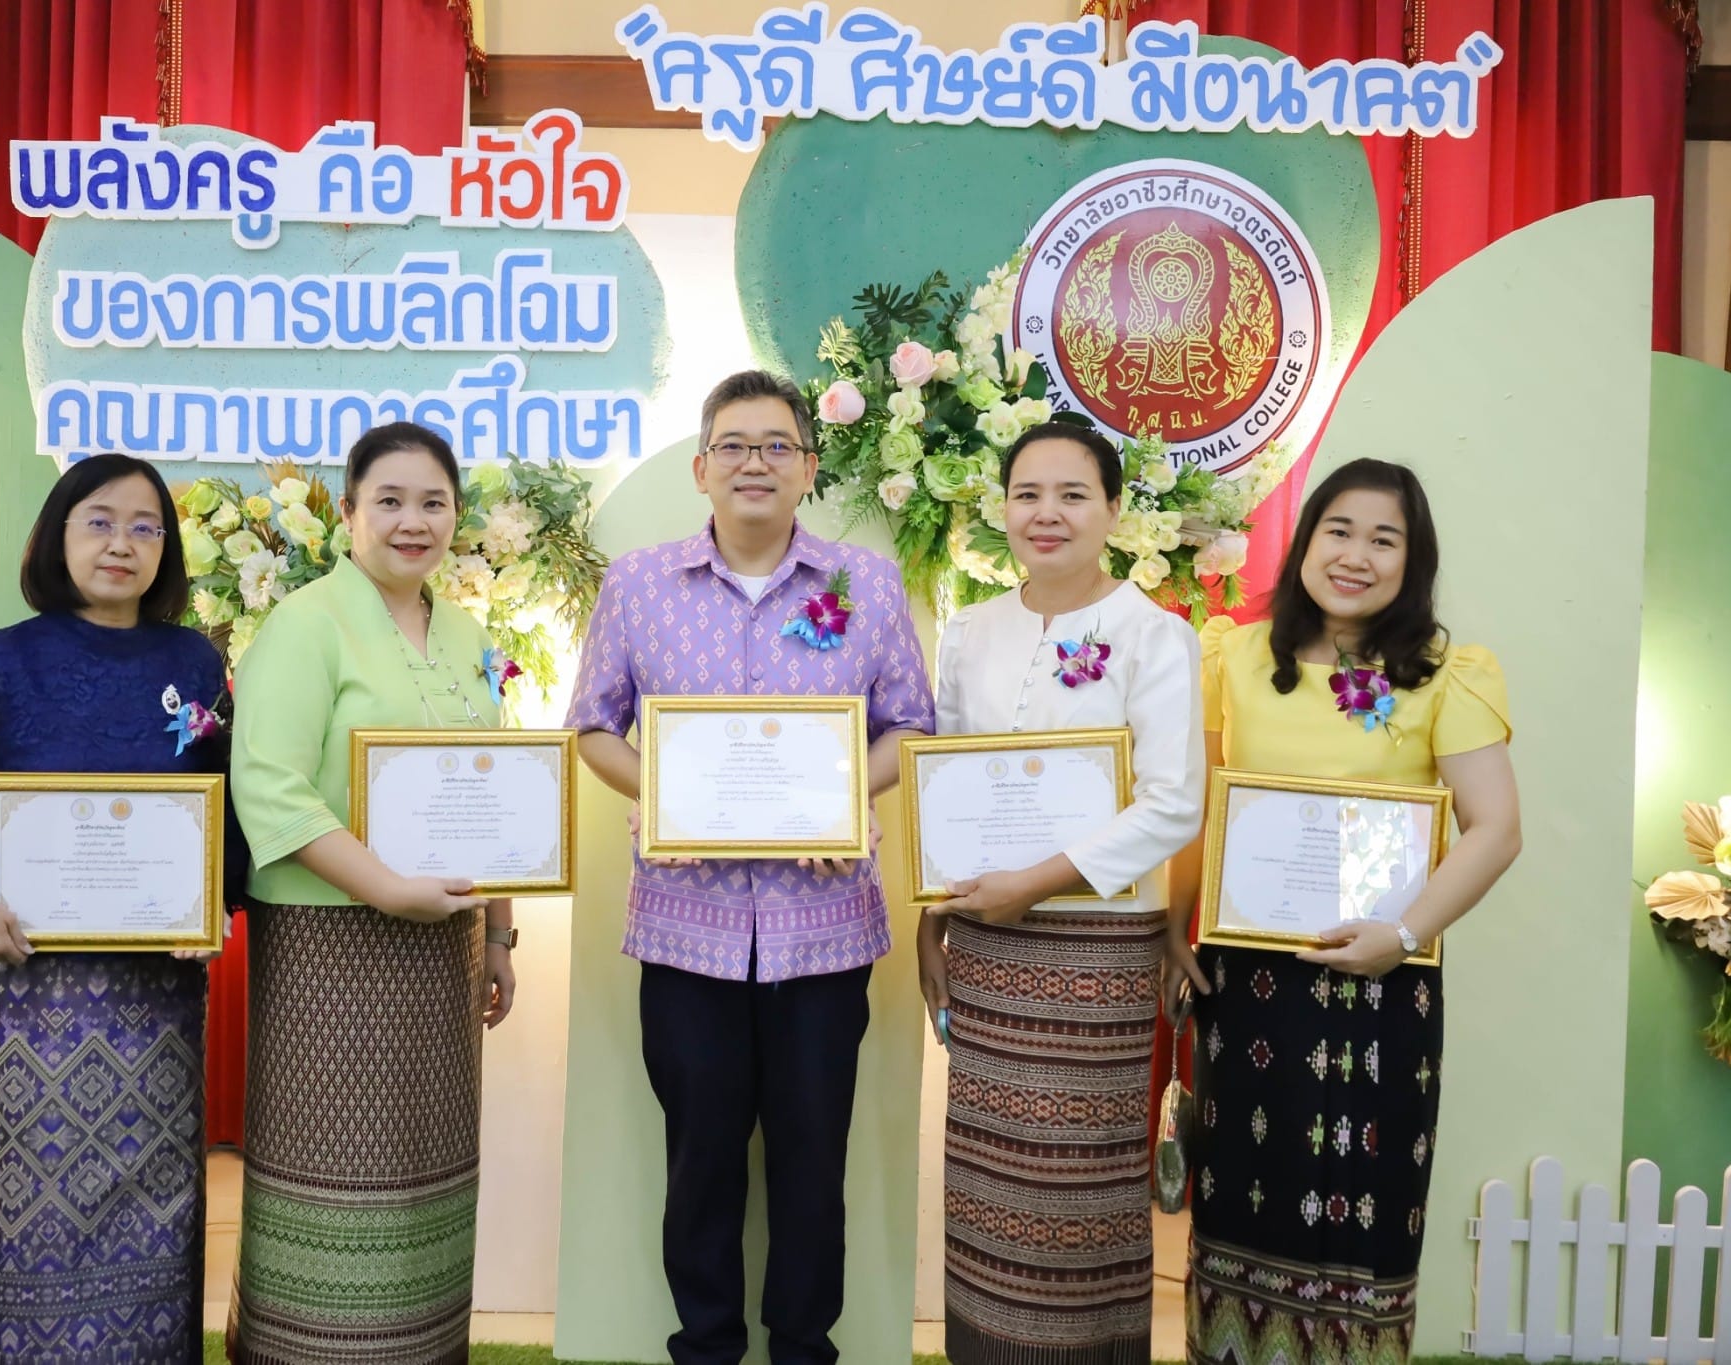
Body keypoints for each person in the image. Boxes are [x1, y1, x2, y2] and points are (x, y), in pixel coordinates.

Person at [564, 370, 934, 1365]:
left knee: (814, 1166)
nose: (754, 462)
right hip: (685, 929)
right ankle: (707, 1348)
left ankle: (803, 1350)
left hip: (824, 932)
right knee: (700, 1164)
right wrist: (661, 792)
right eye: (733, 444)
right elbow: (589, 727)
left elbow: (911, 726)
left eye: (776, 445)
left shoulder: (866, 584)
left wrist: (848, 792)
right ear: (700, 467)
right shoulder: (637, 583)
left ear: (808, 469)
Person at [1168, 459, 1522, 1364]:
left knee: (1362, 1213)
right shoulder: (1234, 657)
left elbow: (1494, 828)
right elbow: (1202, 807)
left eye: (1384, 538)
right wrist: (1178, 925)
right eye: (1339, 529)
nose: (1356, 554)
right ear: (1306, 537)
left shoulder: (1448, 674)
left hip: (1381, 988)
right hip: (1247, 986)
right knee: (1246, 1195)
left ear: (1414, 560)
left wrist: (1402, 934)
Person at [0, 453, 227, 1364]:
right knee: (23, 1204)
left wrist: (213, 905)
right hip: (31, 996)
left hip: (158, 1005)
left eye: (146, 525)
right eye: (100, 521)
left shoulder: (196, 660)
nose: (123, 542)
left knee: (158, 1210)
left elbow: (222, 803)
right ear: (57, 535)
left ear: (167, 546)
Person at [226, 421, 516, 1365]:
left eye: (433, 502)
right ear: (347, 512)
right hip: (330, 950)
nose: (412, 520)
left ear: (456, 518)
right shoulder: (306, 622)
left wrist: (502, 935)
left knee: (424, 1177)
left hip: (445, 949)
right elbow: (268, 784)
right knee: (334, 1175)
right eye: (388, 500)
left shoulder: (469, 632)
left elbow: (500, 787)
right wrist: (386, 888)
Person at [917, 419, 1204, 1365]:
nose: (1048, 514)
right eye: (1028, 493)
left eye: (1074, 495)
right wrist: (937, 918)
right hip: (989, 956)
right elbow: (947, 790)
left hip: (1100, 956)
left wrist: (1030, 885)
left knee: (1077, 1198)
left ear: (1114, 511)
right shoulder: (970, 630)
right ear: (1000, 507)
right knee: (989, 1191)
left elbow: (1174, 806)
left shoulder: (1155, 637)